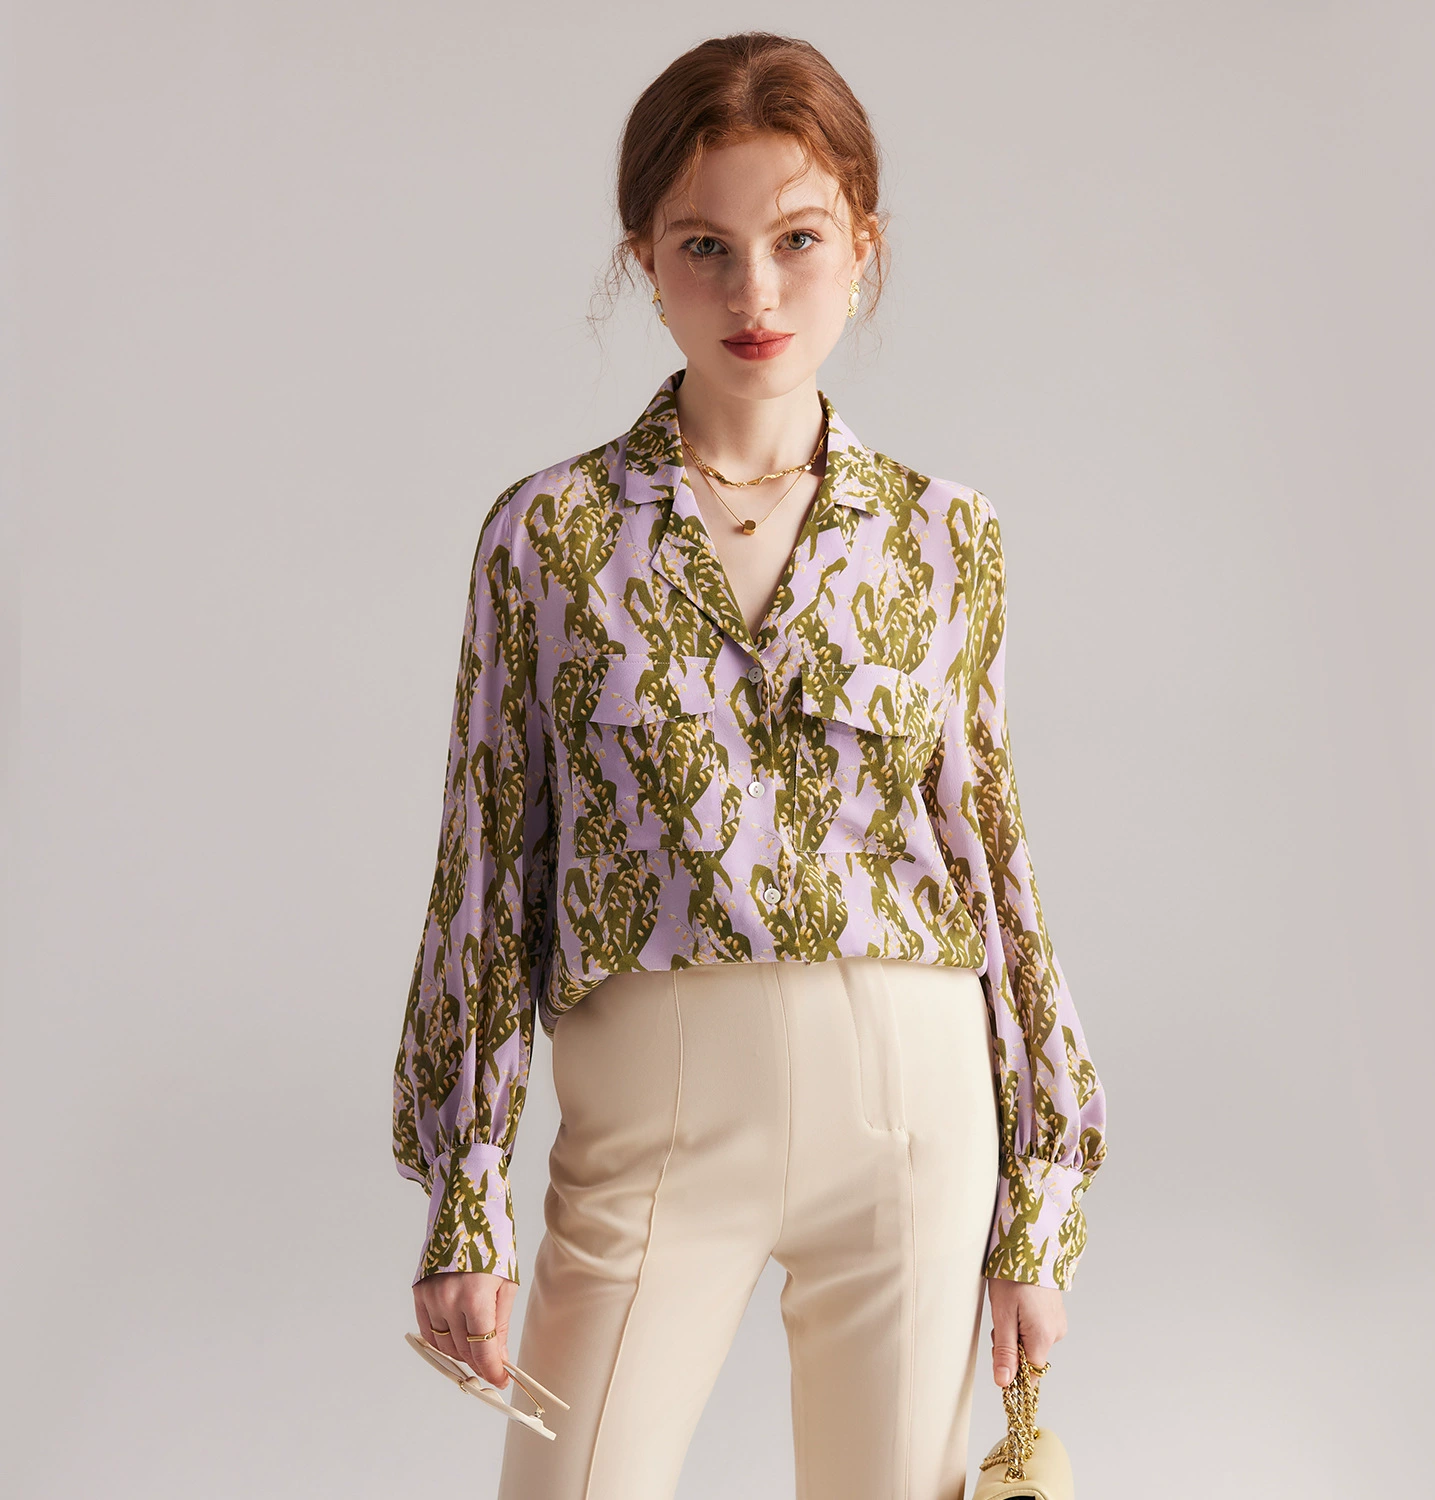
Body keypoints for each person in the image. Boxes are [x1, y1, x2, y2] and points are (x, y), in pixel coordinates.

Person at [391, 30, 1107, 1500]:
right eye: (705, 247)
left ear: (864, 247)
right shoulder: (549, 536)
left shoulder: (944, 536)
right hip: (650, 1114)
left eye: (797, 241)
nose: (755, 294)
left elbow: (995, 860)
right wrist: (468, 1194)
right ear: (645, 262)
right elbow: (488, 872)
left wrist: (1040, 1202)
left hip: (911, 1107)